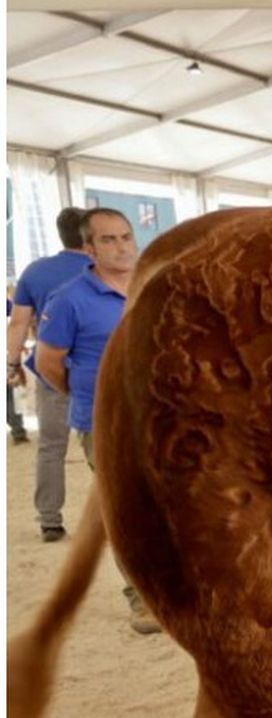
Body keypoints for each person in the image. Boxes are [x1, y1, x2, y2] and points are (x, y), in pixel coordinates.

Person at [33, 208, 161, 635]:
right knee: (127, 509)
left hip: (160, 413)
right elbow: (47, 362)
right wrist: (89, 396)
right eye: (109, 240)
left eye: (126, 236)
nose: (122, 246)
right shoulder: (69, 299)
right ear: (88, 248)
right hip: (105, 423)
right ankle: (140, 600)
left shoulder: (153, 284)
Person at [8, 207, 91, 542]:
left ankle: (50, 520)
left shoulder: (35, 272)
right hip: (96, 370)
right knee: (107, 446)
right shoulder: (102, 269)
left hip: (50, 368)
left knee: (51, 447)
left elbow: (17, 324)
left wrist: (11, 364)